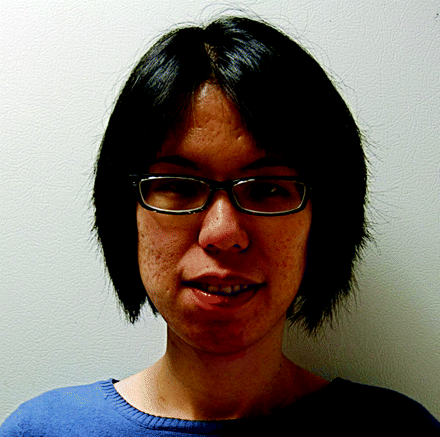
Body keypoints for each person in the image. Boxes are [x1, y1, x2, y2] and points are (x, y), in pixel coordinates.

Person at [1, 15, 439, 436]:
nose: (223, 233)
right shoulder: (42, 431)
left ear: (323, 222)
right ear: (125, 213)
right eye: (178, 185)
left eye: (267, 189)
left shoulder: (398, 430)